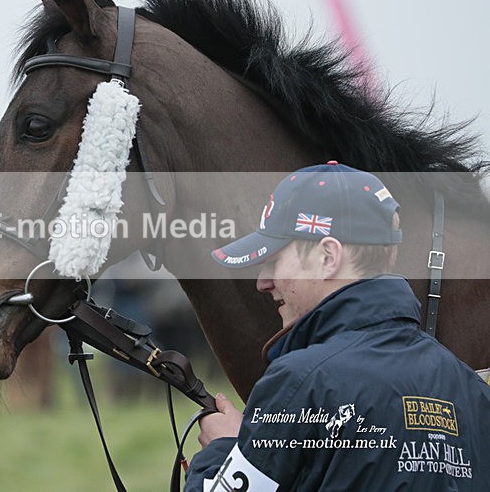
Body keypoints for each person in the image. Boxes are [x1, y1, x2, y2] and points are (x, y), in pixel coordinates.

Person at [186, 162, 490, 491]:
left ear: (328, 257)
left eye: (275, 259)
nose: (263, 282)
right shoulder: (471, 391)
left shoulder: (302, 383)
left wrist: (222, 451)